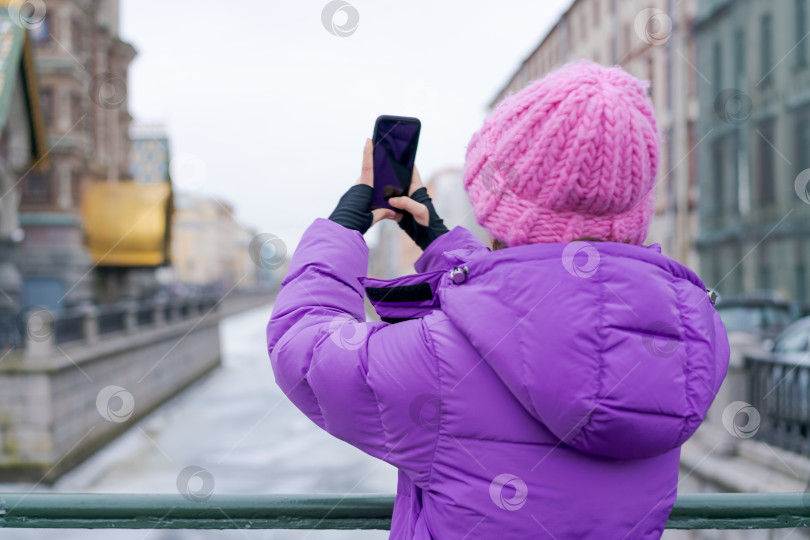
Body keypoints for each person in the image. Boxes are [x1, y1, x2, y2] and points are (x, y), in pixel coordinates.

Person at [266, 59, 730, 539]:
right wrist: (441, 243)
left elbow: (302, 349)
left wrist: (342, 230)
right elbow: (544, 310)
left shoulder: (439, 361)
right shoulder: (688, 347)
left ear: (499, 209)